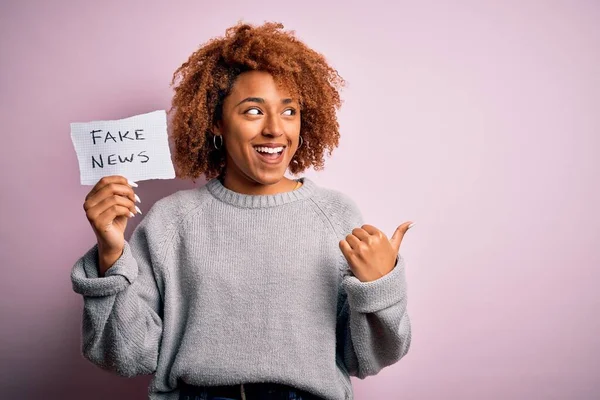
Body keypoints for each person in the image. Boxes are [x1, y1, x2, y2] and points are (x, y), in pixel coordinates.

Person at [71, 21, 413, 400]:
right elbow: (129, 356)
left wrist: (378, 288)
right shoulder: (171, 221)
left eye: (289, 111)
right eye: (253, 111)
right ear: (217, 121)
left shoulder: (336, 214)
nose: (274, 129)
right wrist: (110, 255)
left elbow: (366, 359)